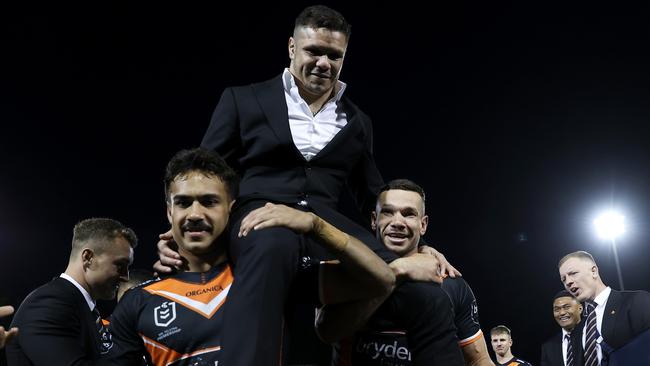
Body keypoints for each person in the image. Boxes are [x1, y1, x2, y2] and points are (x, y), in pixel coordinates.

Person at [158, 5, 460, 365]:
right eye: (314, 51)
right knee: (273, 243)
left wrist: (419, 245)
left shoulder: (358, 121)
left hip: (325, 225)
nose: (323, 62)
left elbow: (371, 196)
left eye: (334, 55)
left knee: (430, 288)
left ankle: (398, 276)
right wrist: (178, 235)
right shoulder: (243, 99)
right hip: (262, 214)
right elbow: (203, 172)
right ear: (291, 47)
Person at [106, 148, 396, 365]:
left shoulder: (268, 275)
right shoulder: (138, 302)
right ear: (170, 211)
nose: (195, 214)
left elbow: (379, 278)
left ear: (231, 209)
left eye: (209, 202)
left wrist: (316, 225)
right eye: (183, 203)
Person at [329, 179, 493, 366]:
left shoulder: (452, 284)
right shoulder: (346, 273)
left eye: (408, 214)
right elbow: (324, 329)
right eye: (388, 212)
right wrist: (398, 270)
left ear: (423, 225)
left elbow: (479, 360)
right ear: (374, 220)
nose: (397, 222)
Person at [6, 218, 137, 365]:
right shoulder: (49, 303)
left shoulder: (79, 306)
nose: (126, 277)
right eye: (120, 265)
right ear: (88, 257)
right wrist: (133, 343)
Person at [558, 250, 650, 365]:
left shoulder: (636, 301)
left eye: (573, 273)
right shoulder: (577, 329)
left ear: (594, 271)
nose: (568, 282)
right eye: (563, 279)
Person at [540, 290, 582, 366]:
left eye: (566, 307)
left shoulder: (593, 335)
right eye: (557, 309)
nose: (562, 313)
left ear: (580, 309)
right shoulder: (548, 347)